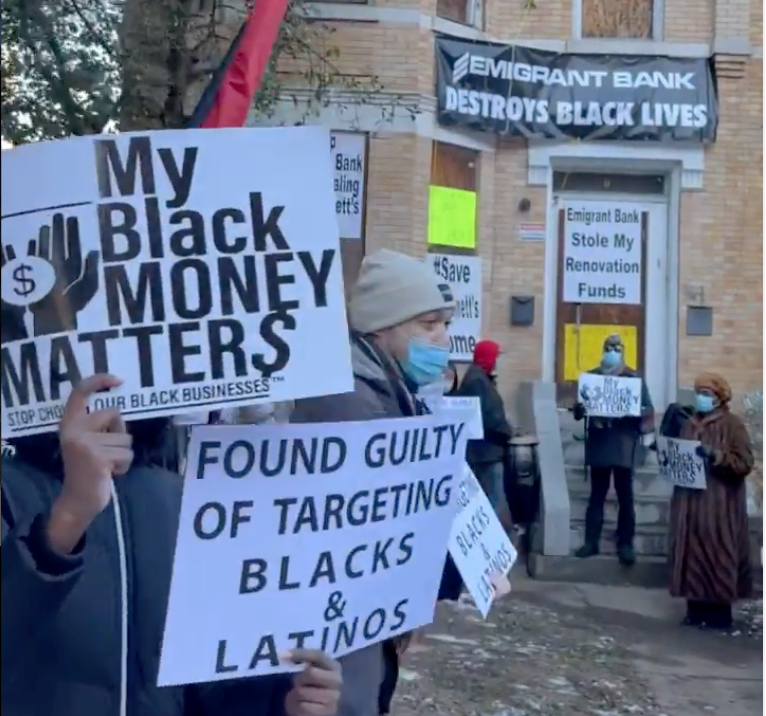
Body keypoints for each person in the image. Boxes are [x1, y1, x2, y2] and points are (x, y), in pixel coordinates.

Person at [2, 375, 342, 716]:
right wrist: (70, 515)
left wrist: (287, 704)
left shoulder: (186, 503)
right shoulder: (9, 487)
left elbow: (213, 689)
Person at [290, 249, 465, 716]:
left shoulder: (383, 391)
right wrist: (449, 563)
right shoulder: (351, 404)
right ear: (381, 328)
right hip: (335, 638)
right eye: (428, 324)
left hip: (352, 633)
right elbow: (374, 530)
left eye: (444, 323)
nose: (443, 338)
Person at [668, 372, 754, 630]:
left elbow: (744, 462)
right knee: (690, 552)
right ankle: (694, 609)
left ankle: (719, 613)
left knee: (717, 553)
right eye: (699, 393)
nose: (701, 398)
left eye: (707, 394)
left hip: (718, 503)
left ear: (719, 397)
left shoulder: (732, 425)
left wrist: (715, 455)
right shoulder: (690, 423)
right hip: (689, 502)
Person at [573, 334, 654, 566]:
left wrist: (635, 411)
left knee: (625, 495)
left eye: (616, 348)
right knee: (597, 494)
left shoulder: (633, 379)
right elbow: (579, 411)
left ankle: (625, 544)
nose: (612, 351)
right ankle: (591, 542)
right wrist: (579, 408)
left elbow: (648, 409)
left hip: (623, 442)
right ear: (603, 349)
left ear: (622, 351)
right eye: (609, 347)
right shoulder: (593, 377)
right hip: (600, 440)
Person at [456, 340, 513, 516]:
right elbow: (487, 417)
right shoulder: (477, 381)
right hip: (485, 454)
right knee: (491, 504)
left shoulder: (481, 378)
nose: (497, 362)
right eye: (495, 357)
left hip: (487, 451)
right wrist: (508, 432)